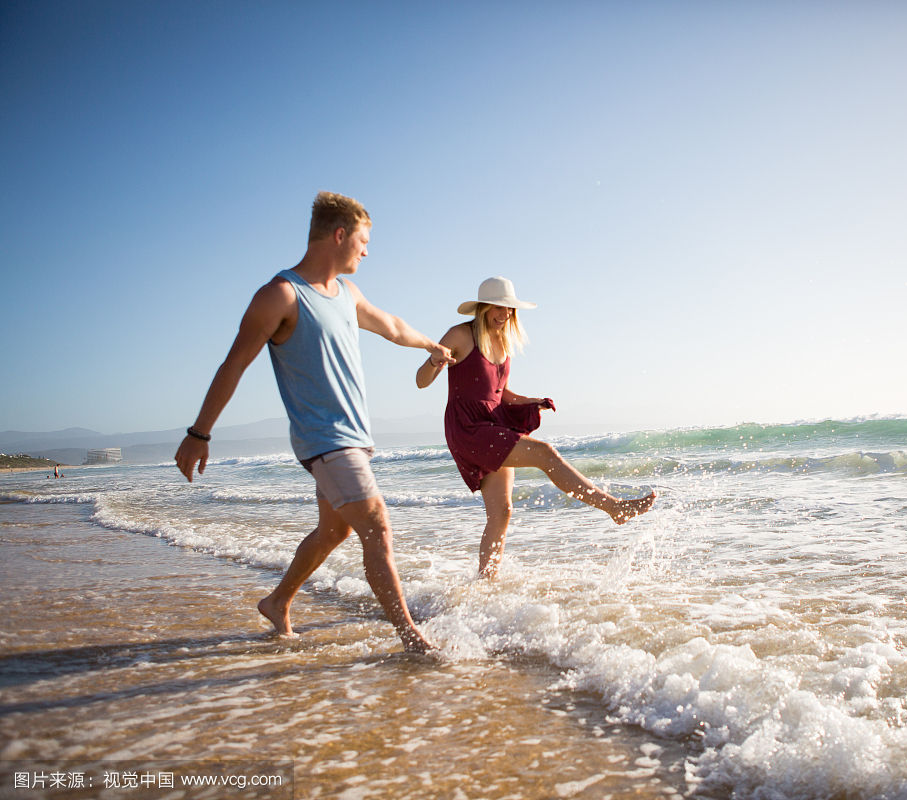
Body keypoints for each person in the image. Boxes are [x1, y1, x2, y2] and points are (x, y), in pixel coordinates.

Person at [175, 191, 454, 652]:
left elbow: (392, 325)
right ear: (339, 235)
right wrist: (198, 433)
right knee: (377, 524)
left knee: (335, 530)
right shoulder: (280, 295)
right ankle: (413, 639)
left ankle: (278, 601)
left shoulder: (347, 293)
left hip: (353, 437)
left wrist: (430, 346)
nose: (367, 251)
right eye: (363, 240)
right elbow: (233, 365)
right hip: (323, 439)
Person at [416, 277, 656, 578]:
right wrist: (434, 362)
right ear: (482, 308)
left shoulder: (503, 343)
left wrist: (533, 401)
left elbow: (499, 392)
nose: (504, 315)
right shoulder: (460, 335)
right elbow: (421, 381)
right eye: (498, 308)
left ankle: (484, 586)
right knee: (545, 453)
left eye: (509, 310)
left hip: (493, 424)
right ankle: (614, 508)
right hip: (469, 428)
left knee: (501, 512)